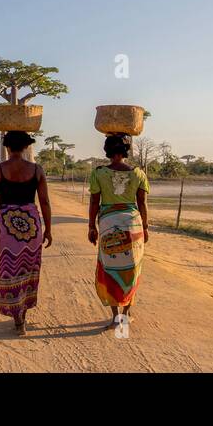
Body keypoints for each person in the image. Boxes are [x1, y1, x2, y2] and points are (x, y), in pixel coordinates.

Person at [0, 130, 52, 335]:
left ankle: (18, 318)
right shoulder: (37, 170)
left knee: (10, 268)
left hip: (8, 227)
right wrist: (48, 230)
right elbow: (44, 201)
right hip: (32, 225)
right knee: (28, 269)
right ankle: (22, 315)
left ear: (6, 147)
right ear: (26, 147)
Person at [87, 134, 150, 326]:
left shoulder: (99, 173)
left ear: (107, 150)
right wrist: (145, 227)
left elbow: (94, 202)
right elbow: (142, 203)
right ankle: (126, 313)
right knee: (132, 267)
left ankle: (116, 315)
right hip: (133, 224)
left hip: (107, 224)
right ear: (126, 150)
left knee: (110, 267)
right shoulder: (138, 173)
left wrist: (91, 226)